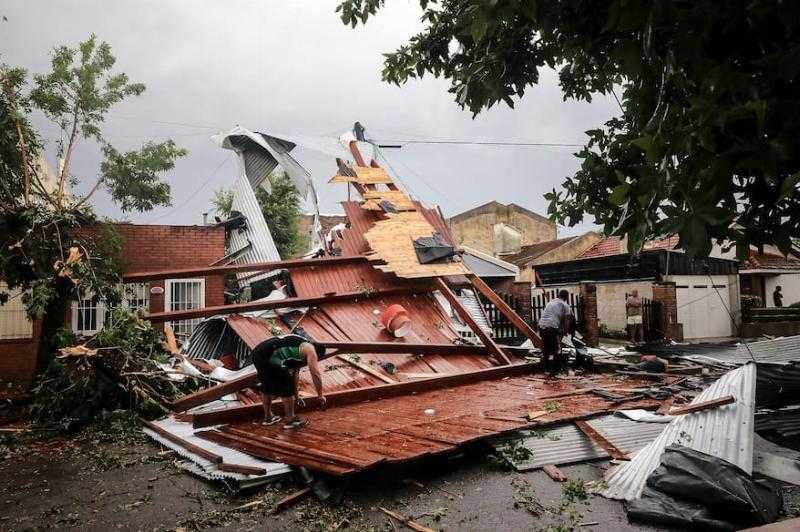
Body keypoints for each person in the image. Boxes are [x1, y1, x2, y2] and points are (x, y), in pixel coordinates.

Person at [251, 334, 326, 429]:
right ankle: (290, 420)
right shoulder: (311, 351)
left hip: (258, 353)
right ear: (318, 354)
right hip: (267, 355)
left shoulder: (299, 349)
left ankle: (268, 417)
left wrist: (297, 396)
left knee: (267, 387)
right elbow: (315, 374)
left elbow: (295, 374)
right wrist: (320, 395)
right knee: (287, 385)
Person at [537, 289, 573, 376]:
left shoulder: (550, 303)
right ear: (566, 297)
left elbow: (553, 315)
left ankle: (546, 369)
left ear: (558, 295)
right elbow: (567, 321)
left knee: (546, 348)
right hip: (551, 326)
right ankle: (555, 371)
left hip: (541, 326)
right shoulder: (565, 305)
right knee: (556, 349)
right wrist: (565, 332)